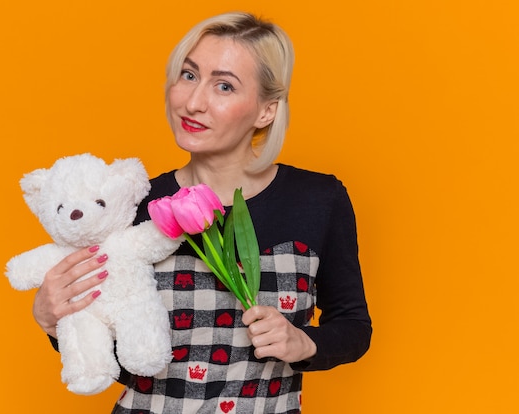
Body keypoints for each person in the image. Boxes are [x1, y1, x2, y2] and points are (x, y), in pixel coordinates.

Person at [32, 11, 371, 413]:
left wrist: (304, 343)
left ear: (266, 110)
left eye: (224, 86)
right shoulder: (133, 204)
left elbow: (353, 326)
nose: (192, 102)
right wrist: (55, 322)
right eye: (189, 75)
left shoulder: (318, 199)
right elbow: (116, 354)